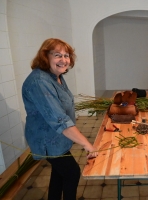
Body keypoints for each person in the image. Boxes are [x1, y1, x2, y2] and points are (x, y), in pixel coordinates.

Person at [22, 38, 98, 200]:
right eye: (58, 55)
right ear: (45, 56)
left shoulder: (56, 76)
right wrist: (86, 144)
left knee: (59, 173)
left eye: (66, 55)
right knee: (72, 173)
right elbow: (59, 119)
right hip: (48, 139)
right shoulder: (39, 81)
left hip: (58, 137)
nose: (64, 60)